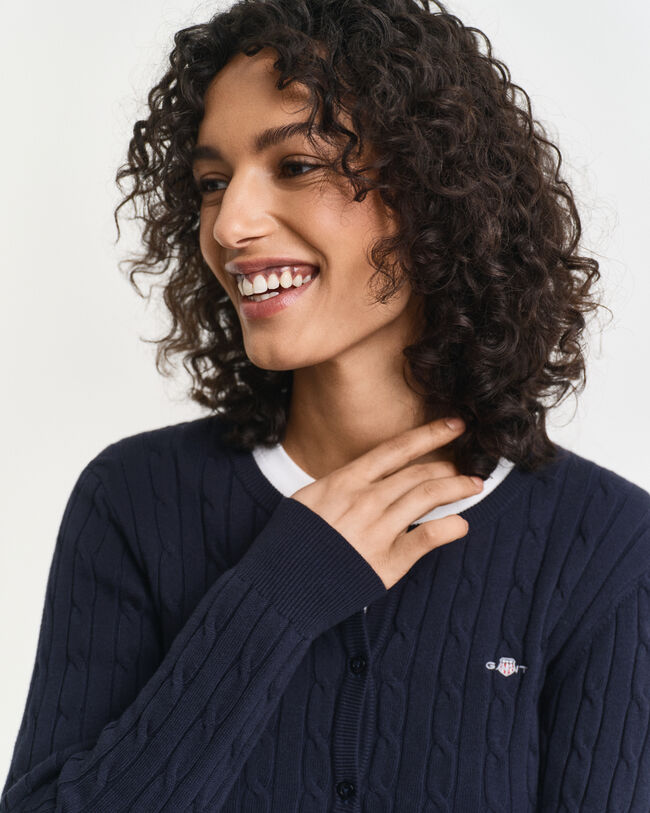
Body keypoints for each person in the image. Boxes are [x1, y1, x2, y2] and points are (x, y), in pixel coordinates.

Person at [2, 0, 648, 810]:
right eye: (212, 183)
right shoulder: (134, 501)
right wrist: (277, 596)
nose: (230, 224)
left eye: (298, 165)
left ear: (434, 190)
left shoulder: (604, 546)